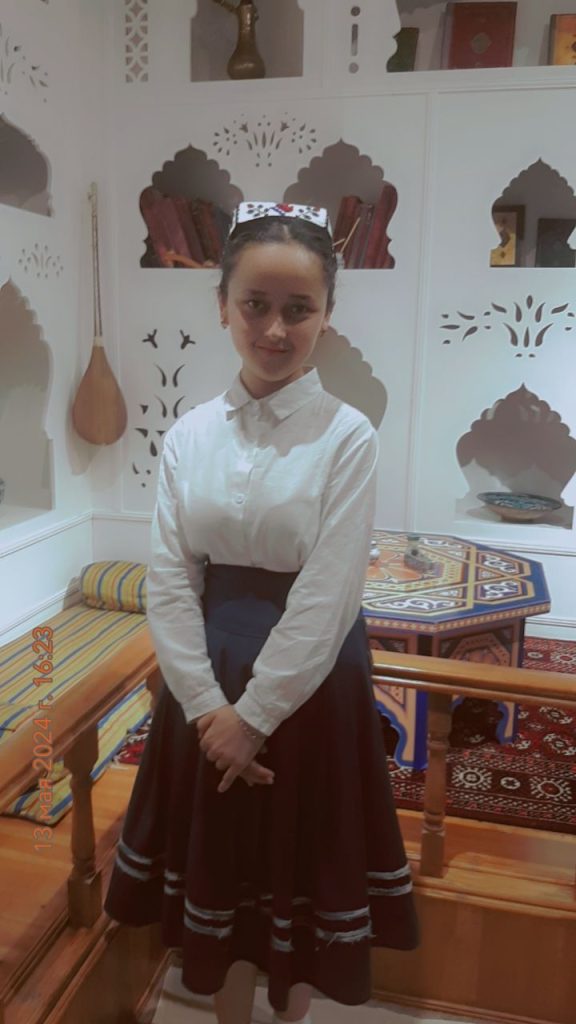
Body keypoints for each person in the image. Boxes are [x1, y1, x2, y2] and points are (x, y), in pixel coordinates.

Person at [104, 201, 418, 1024]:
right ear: (221, 305)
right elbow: (169, 581)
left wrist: (255, 716)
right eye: (255, 304)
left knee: (296, 871)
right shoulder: (189, 435)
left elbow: (328, 593)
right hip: (204, 684)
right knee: (226, 875)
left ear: (327, 315)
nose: (275, 329)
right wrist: (210, 708)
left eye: (298, 309)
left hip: (309, 685)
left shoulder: (348, 437)